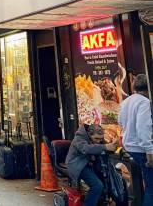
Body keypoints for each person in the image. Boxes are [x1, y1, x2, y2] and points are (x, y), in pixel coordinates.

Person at [119, 74, 153, 205]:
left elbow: (120, 122)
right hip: (141, 149)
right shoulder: (144, 102)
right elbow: (143, 128)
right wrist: (150, 152)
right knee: (151, 188)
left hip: (129, 147)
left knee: (142, 186)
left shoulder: (126, 101)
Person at [65, 123, 118, 206]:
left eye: (100, 139)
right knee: (97, 186)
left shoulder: (98, 138)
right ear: (89, 135)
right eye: (96, 139)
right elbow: (86, 149)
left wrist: (113, 147)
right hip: (77, 164)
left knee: (106, 180)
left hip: (89, 163)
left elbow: (104, 146)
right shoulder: (79, 138)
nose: (98, 141)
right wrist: (105, 147)